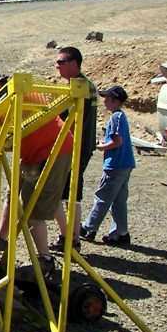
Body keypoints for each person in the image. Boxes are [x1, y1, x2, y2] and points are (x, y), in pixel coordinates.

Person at [0, 68, 74, 275]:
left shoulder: (11, 100)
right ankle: (1, 241)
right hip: (34, 154)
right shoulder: (11, 96)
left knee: (32, 211)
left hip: (54, 150)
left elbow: (6, 140)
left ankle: (45, 260)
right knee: (12, 197)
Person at [49, 47, 98, 253]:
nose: (57, 66)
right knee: (73, 192)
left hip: (73, 147)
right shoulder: (87, 85)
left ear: (74, 63)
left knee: (56, 192)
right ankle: (72, 237)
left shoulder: (78, 87)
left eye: (61, 62)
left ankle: (68, 236)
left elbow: (67, 121)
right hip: (81, 147)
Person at [80, 85, 136, 245]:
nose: (105, 102)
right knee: (118, 200)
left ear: (116, 101)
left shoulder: (115, 117)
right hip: (125, 163)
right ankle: (120, 232)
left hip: (115, 165)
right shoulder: (121, 116)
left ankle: (88, 227)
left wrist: (101, 146)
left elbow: (117, 141)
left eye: (107, 99)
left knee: (103, 197)